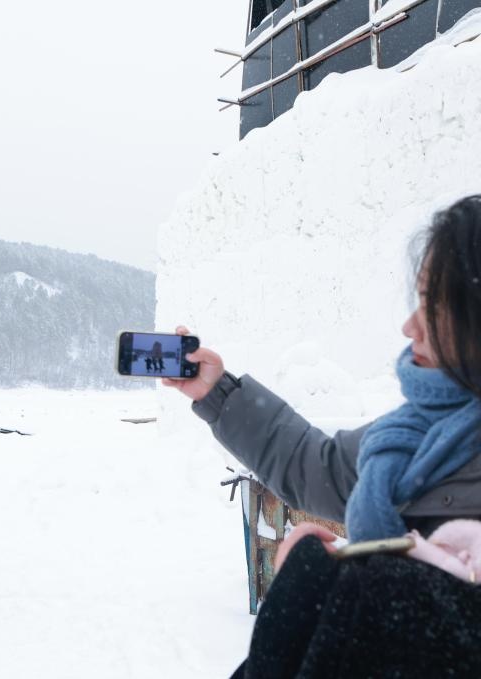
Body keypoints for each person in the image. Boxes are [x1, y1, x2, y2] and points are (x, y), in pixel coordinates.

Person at [164, 195, 481, 676]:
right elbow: (319, 467)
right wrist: (219, 394)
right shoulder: (411, 435)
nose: (409, 326)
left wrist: (325, 583)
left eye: (434, 307)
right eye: (418, 300)